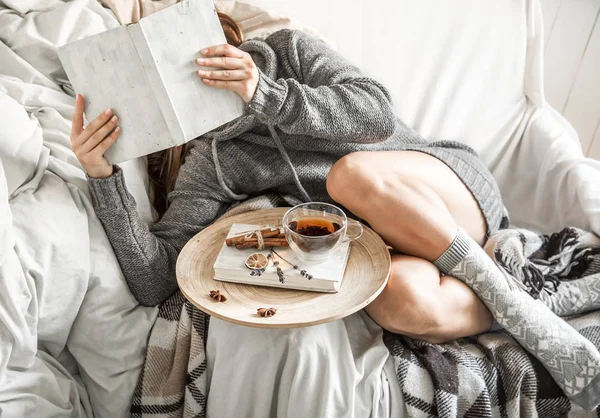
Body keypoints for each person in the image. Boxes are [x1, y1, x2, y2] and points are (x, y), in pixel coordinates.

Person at [70, 13, 505, 345]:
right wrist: (102, 177)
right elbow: (156, 280)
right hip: (398, 243)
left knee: (349, 177)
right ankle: (503, 302)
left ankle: (519, 308)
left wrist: (264, 94)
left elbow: (377, 117)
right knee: (398, 299)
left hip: (448, 191)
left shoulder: (288, 51)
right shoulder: (213, 161)